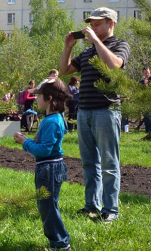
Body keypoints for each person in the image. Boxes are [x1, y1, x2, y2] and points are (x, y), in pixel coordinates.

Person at [59, 6, 130, 222]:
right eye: (91, 24)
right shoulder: (88, 51)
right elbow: (64, 70)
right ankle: (91, 205)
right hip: (85, 112)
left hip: (106, 111)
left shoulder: (120, 45)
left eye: (97, 24)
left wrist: (96, 42)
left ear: (111, 24)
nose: (92, 27)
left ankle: (111, 210)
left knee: (109, 163)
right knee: (89, 163)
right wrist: (68, 47)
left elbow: (114, 65)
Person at [13, 78, 71, 251]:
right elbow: (45, 145)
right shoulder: (53, 119)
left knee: (48, 208)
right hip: (49, 168)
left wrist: (25, 142)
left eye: (39, 96)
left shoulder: (51, 121)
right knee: (48, 206)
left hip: (49, 169)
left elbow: (44, 150)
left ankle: (60, 244)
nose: (35, 99)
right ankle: (58, 242)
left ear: (50, 99)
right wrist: (27, 140)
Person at [136, 67, 150, 132]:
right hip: (145, 102)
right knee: (146, 117)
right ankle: (148, 131)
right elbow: (138, 92)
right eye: (145, 73)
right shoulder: (141, 82)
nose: (146, 74)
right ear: (143, 73)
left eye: (147, 72)